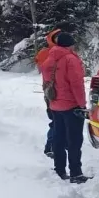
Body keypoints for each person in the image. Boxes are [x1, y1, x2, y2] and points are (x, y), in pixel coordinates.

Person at [41, 32, 90, 183]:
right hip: (71, 105)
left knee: (58, 138)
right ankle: (76, 173)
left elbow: (46, 82)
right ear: (69, 44)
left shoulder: (50, 58)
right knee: (74, 140)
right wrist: (82, 104)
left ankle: (59, 169)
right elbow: (77, 84)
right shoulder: (70, 59)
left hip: (55, 104)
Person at [36, 26, 64, 158]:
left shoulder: (50, 53)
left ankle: (54, 144)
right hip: (52, 93)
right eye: (58, 37)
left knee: (57, 120)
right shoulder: (48, 53)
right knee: (56, 120)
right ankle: (51, 146)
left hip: (56, 92)